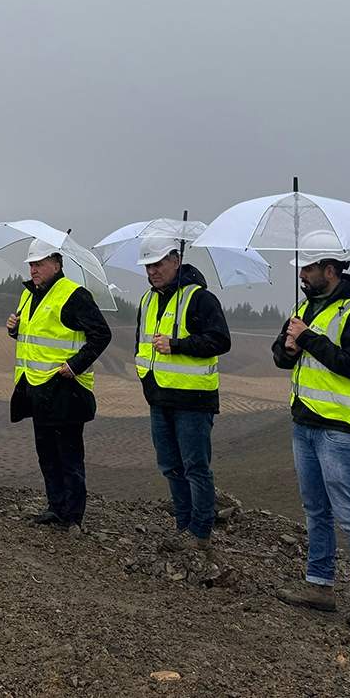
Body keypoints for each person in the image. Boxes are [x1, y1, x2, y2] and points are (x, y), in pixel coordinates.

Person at [270, 229, 350, 631]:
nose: (302, 275)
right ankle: (319, 586)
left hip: (344, 430)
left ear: (330, 269)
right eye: (301, 268)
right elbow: (283, 358)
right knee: (315, 510)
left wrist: (309, 339)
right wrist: (288, 348)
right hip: (305, 423)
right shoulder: (306, 308)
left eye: (308, 268)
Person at [133, 237, 232, 553]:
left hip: (192, 400)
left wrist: (178, 345)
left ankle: (200, 533)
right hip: (159, 397)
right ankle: (183, 527)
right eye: (148, 266)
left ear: (176, 261)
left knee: (195, 467)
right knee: (170, 466)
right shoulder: (148, 301)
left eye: (158, 264)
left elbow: (220, 340)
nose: (153, 271)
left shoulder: (201, 299)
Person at [6, 242, 111, 531]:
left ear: (56, 263)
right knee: (47, 453)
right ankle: (55, 507)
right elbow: (35, 339)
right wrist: (15, 329)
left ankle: (73, 516)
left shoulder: (74, 295)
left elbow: (101, 334)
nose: (33, 268)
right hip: (37, 389)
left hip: (66, 389)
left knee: (69, 455)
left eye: (39, 263)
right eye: (31, 264)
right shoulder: (29, 295)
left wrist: (75, 365)